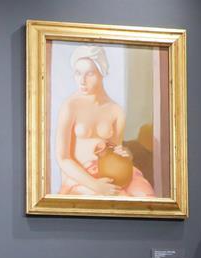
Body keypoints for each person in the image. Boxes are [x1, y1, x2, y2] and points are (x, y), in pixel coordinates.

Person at [54, 45, 155, 197]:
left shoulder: (116, 110)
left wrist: (124, 155)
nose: (82, 80)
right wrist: (95, 185)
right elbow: (63, 158)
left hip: (110, 172)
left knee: (145, 195)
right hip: (80, 177)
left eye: (89, 74)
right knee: (118, 197)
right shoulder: (69, 107)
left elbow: (115, 150)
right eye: (78, 73)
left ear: (102, 73)